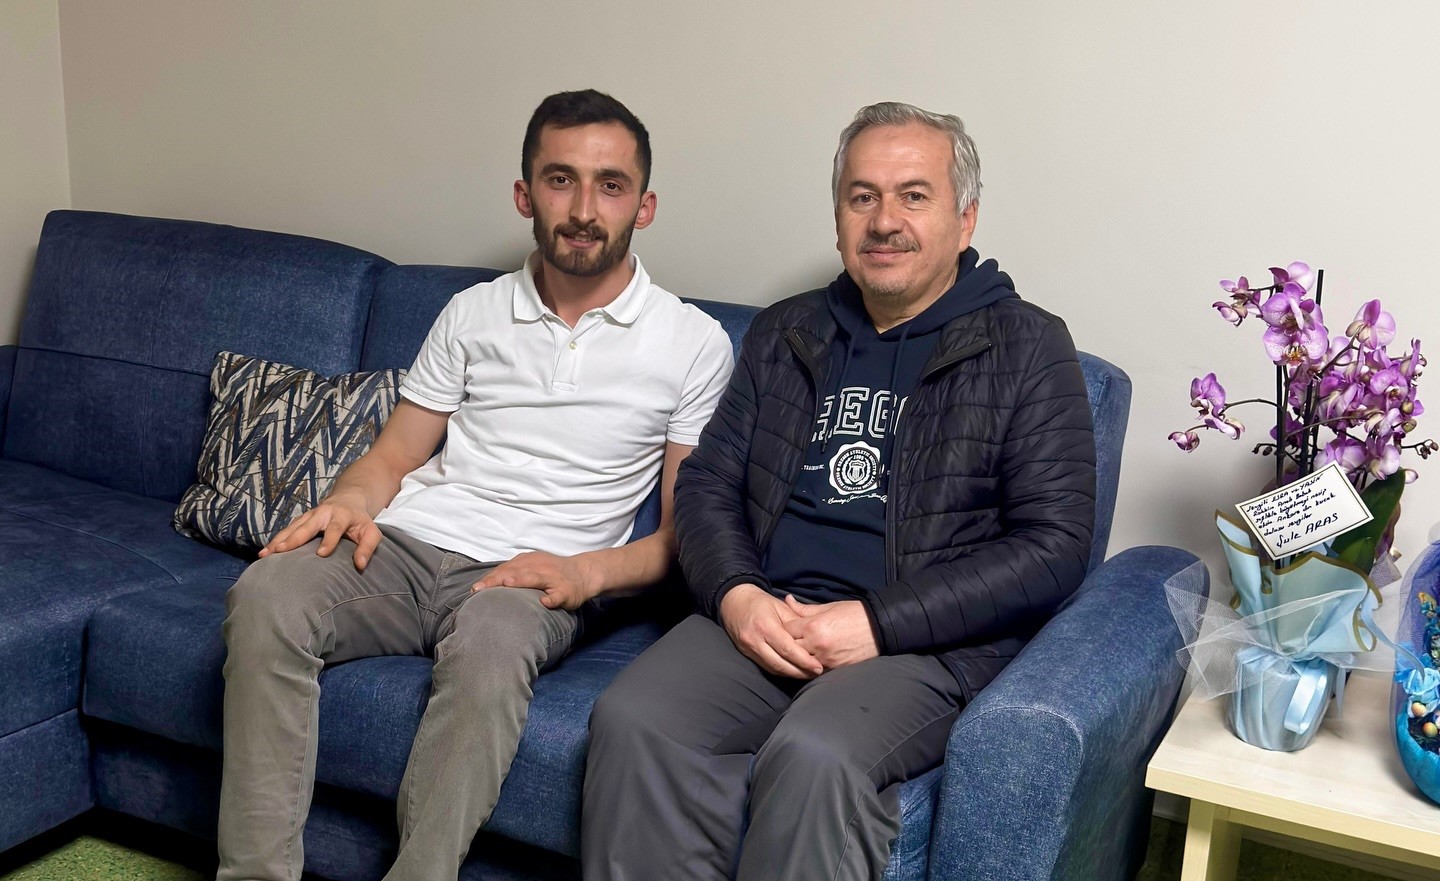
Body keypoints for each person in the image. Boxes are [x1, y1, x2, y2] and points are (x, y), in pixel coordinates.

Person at [215, 89, 733, 881]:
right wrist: (348, 500)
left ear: (645, 205)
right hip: (407, 546)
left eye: (610, 185)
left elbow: (678, 538)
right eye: (560, 180)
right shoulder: (471, 313)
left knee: (492, 644)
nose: (584, 209)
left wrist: (584, 572)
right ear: (525, 195)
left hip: (533, 574)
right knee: (267, 592)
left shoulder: (693, 342)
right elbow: (392, 456)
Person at [582, 101, 1096, 881]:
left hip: (918, 644)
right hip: (766, 614)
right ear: (837, 219)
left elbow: (1055, 546)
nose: (884, 221)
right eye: (863, 197)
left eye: (913, 195)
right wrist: (737, 596)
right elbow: (709, 483)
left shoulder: (1028, 345)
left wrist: (877, 623)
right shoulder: (786, 331)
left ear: (965, 218)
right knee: (633, 717)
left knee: (815, 754)